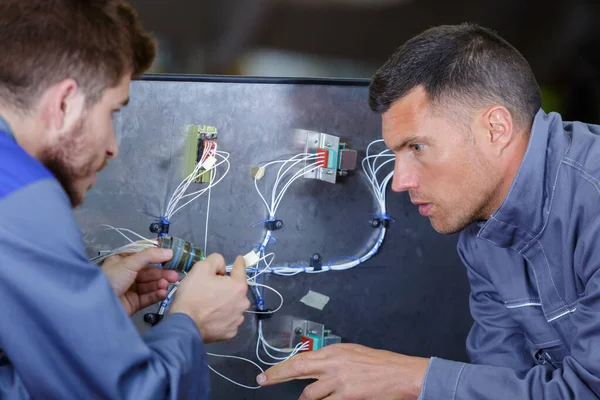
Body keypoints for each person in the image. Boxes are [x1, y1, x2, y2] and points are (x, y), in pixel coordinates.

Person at [256, 23, 600, 399]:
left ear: (495, 128)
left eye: (417, 148)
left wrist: (410, 379)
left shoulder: (592, 199)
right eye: (395, 154)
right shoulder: (483, 234)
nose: (399, 182)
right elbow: (500, 380)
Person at [0, 1, 250, 398]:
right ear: (65, 104)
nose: (113, 146)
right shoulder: (23, 194)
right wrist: (190, 323)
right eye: (113, 112)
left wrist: (80, 319)